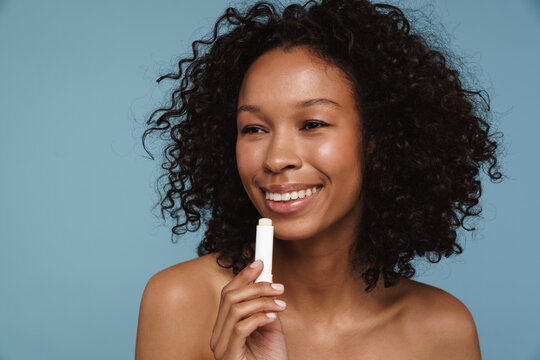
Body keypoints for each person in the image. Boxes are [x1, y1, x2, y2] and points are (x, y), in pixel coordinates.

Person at [135, 0, 503, 358]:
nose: (277, 158)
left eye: (312, 124)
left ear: (377, 140)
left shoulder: (442, 331)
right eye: (254, 128)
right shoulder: (181, 302)